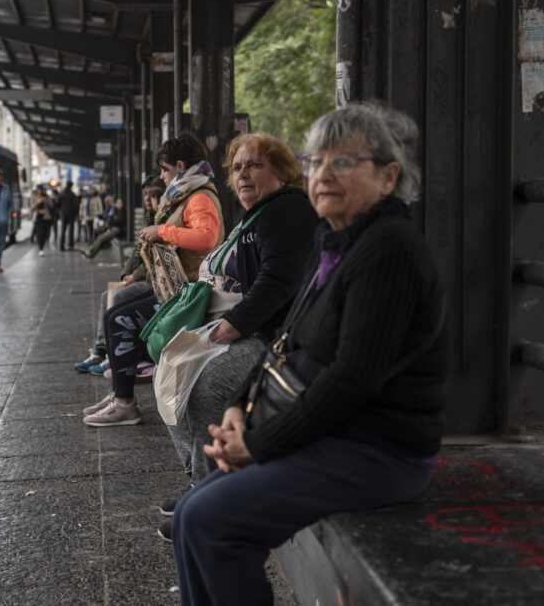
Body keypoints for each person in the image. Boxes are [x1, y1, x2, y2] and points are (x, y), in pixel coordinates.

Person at [171, 101, 448, 605]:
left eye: (343, 161)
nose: (322, 174)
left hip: (378, 450)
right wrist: (239, 408)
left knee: (212, 523)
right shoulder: (335, 241)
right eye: (316, 162)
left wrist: (260, 445)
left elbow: (352, 378)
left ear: (388, 177)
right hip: (336, 436)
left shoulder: (390, 250)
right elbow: (286, 340)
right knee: (192, 515)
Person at [156, 132, 319, 540]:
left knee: (207, 386)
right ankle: (198, 480)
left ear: (282, 172)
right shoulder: (256, 214)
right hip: (244, 326)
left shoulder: (286, 209)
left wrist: (233, 325)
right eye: (238, 167)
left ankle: (212, 496)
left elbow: (278, 282)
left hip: (273, 337)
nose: (243, 174)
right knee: (169, 369)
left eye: (255, 165)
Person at [83, 133, 225, 427]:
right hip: (177, 290)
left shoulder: (199, 196)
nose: (162, 176)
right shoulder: (186, 194)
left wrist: (161, 231)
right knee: (114, 314)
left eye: (165, 169)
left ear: (180, 166)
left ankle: (124, 404)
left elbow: (207, 237)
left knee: (120, 320)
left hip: (192, 294)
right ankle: (120, 396)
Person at [74, 176, 165, 376]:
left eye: (151, 194)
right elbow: (137, 251)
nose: (147, 198)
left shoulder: (162, 220)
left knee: (118, 297)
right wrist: (126, 273)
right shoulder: (149, 217)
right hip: (141, 277)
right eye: (145, 194)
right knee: (105, 295)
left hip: (154, 281)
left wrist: (134, 277)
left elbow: (155, 258)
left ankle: (113, 356)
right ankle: (100, 350)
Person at [30, 185, 54, 257]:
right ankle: (41, 248)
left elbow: (51, 205)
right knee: (39, 233)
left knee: (44, 234)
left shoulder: (46, 196)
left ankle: (42, 245)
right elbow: (32, 208)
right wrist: (37, 202)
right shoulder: (33, 197)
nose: (39, 191)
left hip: (46, 217)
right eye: (38, 190)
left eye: (41, 190)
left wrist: (46, 201)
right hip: (38, 217)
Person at [58, 181, 79, 250]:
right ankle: (71, 245)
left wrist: (61, 210)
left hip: (63, 214)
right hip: (71, 214)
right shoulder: (72, 194)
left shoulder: (61, 194)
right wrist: (76, 213)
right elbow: (75, 205)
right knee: (71, 230)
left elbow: (58, 203)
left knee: (63, 230)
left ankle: (61, 245)